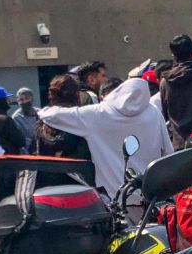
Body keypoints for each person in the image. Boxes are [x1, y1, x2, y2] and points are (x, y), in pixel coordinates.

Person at [38, 78, 174, 198]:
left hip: (115, 196)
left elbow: (53, 116)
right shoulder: (154, 112)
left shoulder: (98, 114)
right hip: (150, 194)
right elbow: (168, 152)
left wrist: (40, 111)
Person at [34, 75, 92, 160]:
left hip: (47, 171)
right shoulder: (83, 121)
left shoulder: (42, 120)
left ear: (51, 95)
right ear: (77, 95)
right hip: (78, 171)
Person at [0, 87, 27, 155]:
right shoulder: (5, 120)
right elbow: (20, 141)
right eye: (7, 98)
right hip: (7, 160)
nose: (9, 101)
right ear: (2, 101)